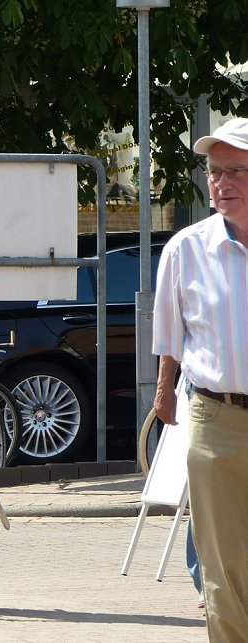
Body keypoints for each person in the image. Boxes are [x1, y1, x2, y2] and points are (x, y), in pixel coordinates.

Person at [152, 116, 248, 640]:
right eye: (214, 172)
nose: (222, 183)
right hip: (216, 419)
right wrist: (164, 394)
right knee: (222, 568)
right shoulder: (185, 249)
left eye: (236, 170)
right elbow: (171, 338)